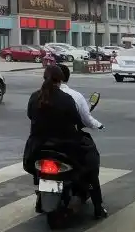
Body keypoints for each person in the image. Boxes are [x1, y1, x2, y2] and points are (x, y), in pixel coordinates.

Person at [23, 65, 107, 219]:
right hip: (65, 145)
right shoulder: (66, 99)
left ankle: (41, 195)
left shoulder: (34, 97)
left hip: (37, 146)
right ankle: (98, 207)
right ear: (61, 80)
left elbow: (30, 115)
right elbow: (77, 120)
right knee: (91, 161)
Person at [58, 63, 107, 217]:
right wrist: (98, 125)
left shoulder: (37, 95)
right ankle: (98, 207)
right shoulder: (73, 96)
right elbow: (86, 119)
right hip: (68, 142)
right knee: (91, 165)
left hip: (40, 142)